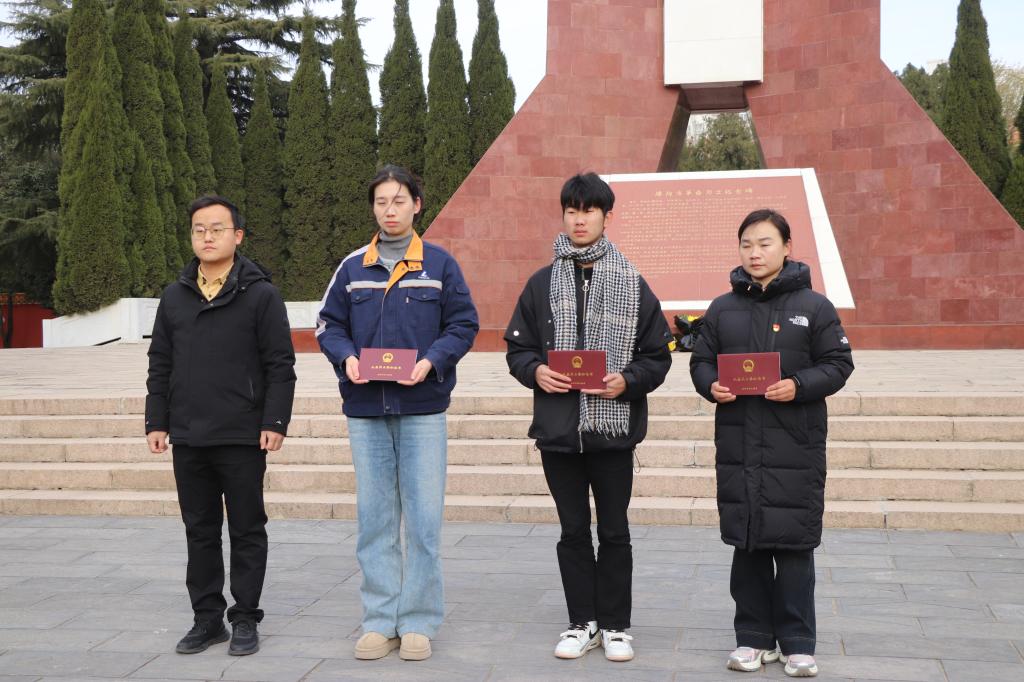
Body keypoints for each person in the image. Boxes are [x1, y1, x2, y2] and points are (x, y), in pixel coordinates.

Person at [505, 172, 673, 662]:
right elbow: (518, 350)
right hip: (559, 433)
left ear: (607, 216)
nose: (579, 220)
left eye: (589, 210)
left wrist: (627, 381)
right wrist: (536, 371)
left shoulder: (632, 282)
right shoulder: (541, 284)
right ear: (563, 215)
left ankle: (616, 625)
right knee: (573, 531)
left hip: (613, 433)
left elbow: (657, 357)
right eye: (572, 210)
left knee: (614, 530)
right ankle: (582, 622)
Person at [316, 165, 478, 661]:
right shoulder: (352, 268)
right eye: (381, 201)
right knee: (376, 520)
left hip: (421, 409)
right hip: (366, 410)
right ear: (373, 208)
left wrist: (431, 362)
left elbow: (463, 324)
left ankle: (419, 621)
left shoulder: (439, 265)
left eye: (399, 201)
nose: (390, 210)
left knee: (424, 521)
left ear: (417, 205)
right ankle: (379, 619)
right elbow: (327, 325)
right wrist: (346, 357)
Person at [689, 209, 854, 678]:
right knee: (748, 545)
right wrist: (710, 385)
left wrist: (798, 385)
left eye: (764, 243)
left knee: (795, 545)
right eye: (746, 244)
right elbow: (701, 362)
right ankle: (752, 638)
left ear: (787, 247)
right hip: (740, 443)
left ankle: (798, 643)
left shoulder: (815, 307)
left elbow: (839, 363)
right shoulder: (723, 308)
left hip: (794, 446)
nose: (755, 253)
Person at [146, 195, 296, 656]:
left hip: (242, 433)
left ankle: (245, 616)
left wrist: (275, 420)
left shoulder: (261, 295)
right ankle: (207, 619)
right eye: (199, 229)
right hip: (189, 434)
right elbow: (160, 362)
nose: (207, 237)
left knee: (247, 528)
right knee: (200, 529)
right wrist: (157, 419)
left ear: (238, 236)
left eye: (216, 229)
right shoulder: (174, 296)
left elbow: (280, 364)